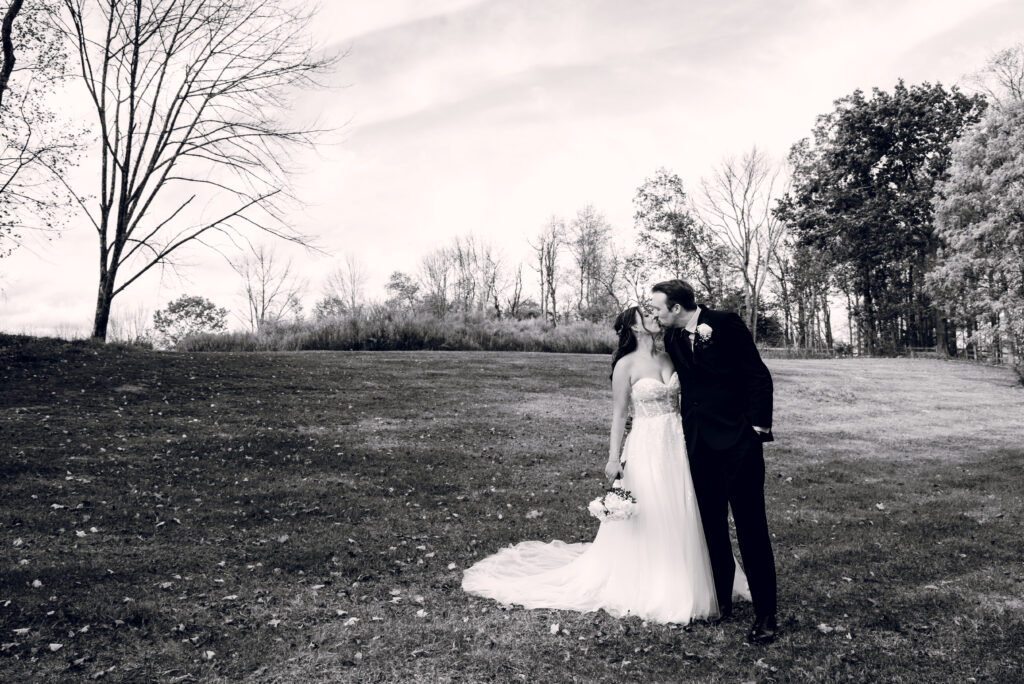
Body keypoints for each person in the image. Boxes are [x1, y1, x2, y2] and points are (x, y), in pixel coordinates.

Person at [461, 306, 748, 624]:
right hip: (647, 445)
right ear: (635, 328)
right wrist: (614, 458)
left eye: (655, 313)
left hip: (680, 442)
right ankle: (657, 582)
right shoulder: (625, 365)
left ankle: (697, 577)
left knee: (685, 507)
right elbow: (619, 414)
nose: (655, 318)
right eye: (646, 316)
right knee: (655, 508)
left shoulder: (673, 355)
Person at [650, 279, 778, 644]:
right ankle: (721, 600)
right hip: (698, 446)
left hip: (738, 444)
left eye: (659, 307)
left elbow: (757, 375)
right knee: (711, 528)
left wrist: (756, 429)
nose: (655, 313)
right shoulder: (673, 338)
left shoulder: (725, 324)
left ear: (676, 308)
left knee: (751, 528)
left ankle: (766, 614)